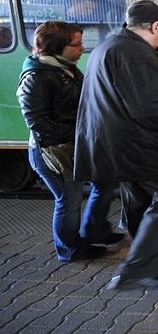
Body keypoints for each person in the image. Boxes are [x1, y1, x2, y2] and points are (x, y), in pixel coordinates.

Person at [75, 1, 158, 290]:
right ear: (155, 27)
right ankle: (136, 269)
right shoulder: (135, 53)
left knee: (138, 198)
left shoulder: (111, 45)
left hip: (114, 143)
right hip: (135, 144)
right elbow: (151, 108)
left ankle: (153, 257)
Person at [16, 21, 121, 263]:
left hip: (76, 145)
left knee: (104, 183)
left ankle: (95, 230)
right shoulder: (36, 77)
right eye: (77, 44)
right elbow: (38, 122)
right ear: (56, 47)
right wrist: (80, 132)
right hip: (55, 152)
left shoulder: (66, 69)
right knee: (68, 202)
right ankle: (70, 249)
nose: (82, 48)